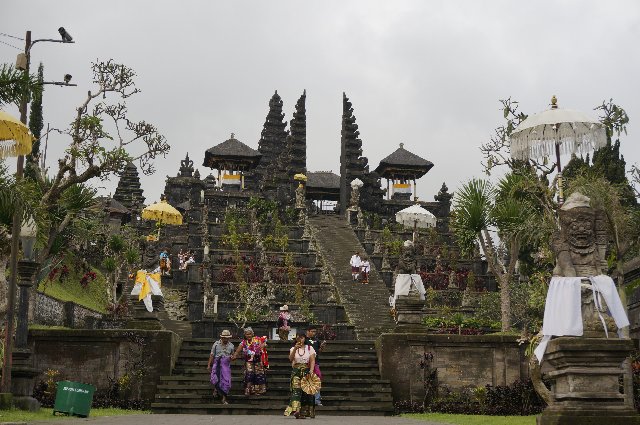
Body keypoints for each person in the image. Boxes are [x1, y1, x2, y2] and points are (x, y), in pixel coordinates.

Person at [284, 333, 317, 419]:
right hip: (296, 371)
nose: (300, 340)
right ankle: (296, 410)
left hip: (306, 371)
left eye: (301, 338)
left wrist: (311, 370)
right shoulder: (292, 348)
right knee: (296, 390)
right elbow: (291, 359)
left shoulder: (310, 348)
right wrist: (295, 348)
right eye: (298, 338)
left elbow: (312, 360)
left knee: (305, 392)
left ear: (304, 339)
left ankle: (303, 412)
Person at [231, 327, 268, 395]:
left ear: (252, 334)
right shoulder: (243, 342)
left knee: (259, 374)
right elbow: (238, 351)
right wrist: (234, 355)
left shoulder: (257, 339)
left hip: (257, 359)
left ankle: (260, 389)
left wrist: (261, 347)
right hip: (249, 361)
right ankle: (250, 389)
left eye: (250, 334)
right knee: (250, 374)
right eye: (247, 334)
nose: (248, 335)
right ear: (245, 335)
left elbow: (264, 345)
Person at [207, 329, 234, 404]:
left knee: (226, 382)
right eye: (224, 338)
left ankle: (224, 398)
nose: (226, 339)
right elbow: (212, 355)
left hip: (225, 365)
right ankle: (216, 389)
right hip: (217, 364)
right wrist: (209, 365)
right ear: (221, 337)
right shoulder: (216, 344)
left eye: (227, 338)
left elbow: (232, 356)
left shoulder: (231, 346)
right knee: (216, 379)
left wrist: (232, 357)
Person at [305, 326, 326, 407]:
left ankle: (317, 400)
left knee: (317, 379)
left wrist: (322, 347)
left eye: (315, 331)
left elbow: (319, 351)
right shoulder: (304, 340)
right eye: (312, 331)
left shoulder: (317, 340)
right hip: (306, 362)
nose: (314, 333)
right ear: (308, 331)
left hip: (316, 362)